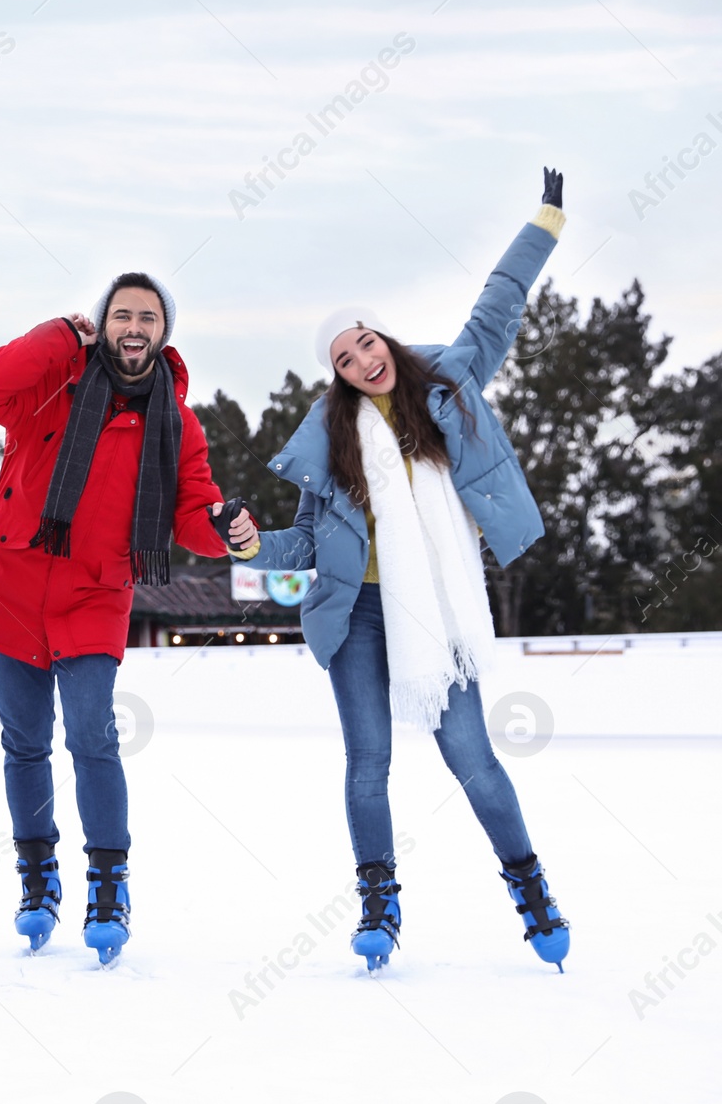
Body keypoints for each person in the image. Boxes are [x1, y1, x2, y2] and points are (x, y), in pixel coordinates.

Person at [235, 169, 572, 973]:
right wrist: (250, 544)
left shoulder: (449, 385)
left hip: (437, 614)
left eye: (367, 342)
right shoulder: (337, 443)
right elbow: (305, 544)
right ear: (338, 374)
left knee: (472, 757)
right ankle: (379, 904)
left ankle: (530, 887)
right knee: (369, 763)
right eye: (345, 359)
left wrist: (546, 224)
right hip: (356, 615)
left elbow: (500, 303)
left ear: (384, 338)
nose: (362, 360)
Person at [0, 272, 256, 966]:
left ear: (164, 331)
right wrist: (56, 337)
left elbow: (190, 512)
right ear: (101, 322)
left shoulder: (177, 420)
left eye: (148, 315)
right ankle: (37, 874)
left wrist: (220, 524)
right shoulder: (52, 381)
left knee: (92, 736)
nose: (135, 325)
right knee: (24, 743)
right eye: (122, 314)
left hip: (94, 594)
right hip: (14, 586)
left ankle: (108, 882)